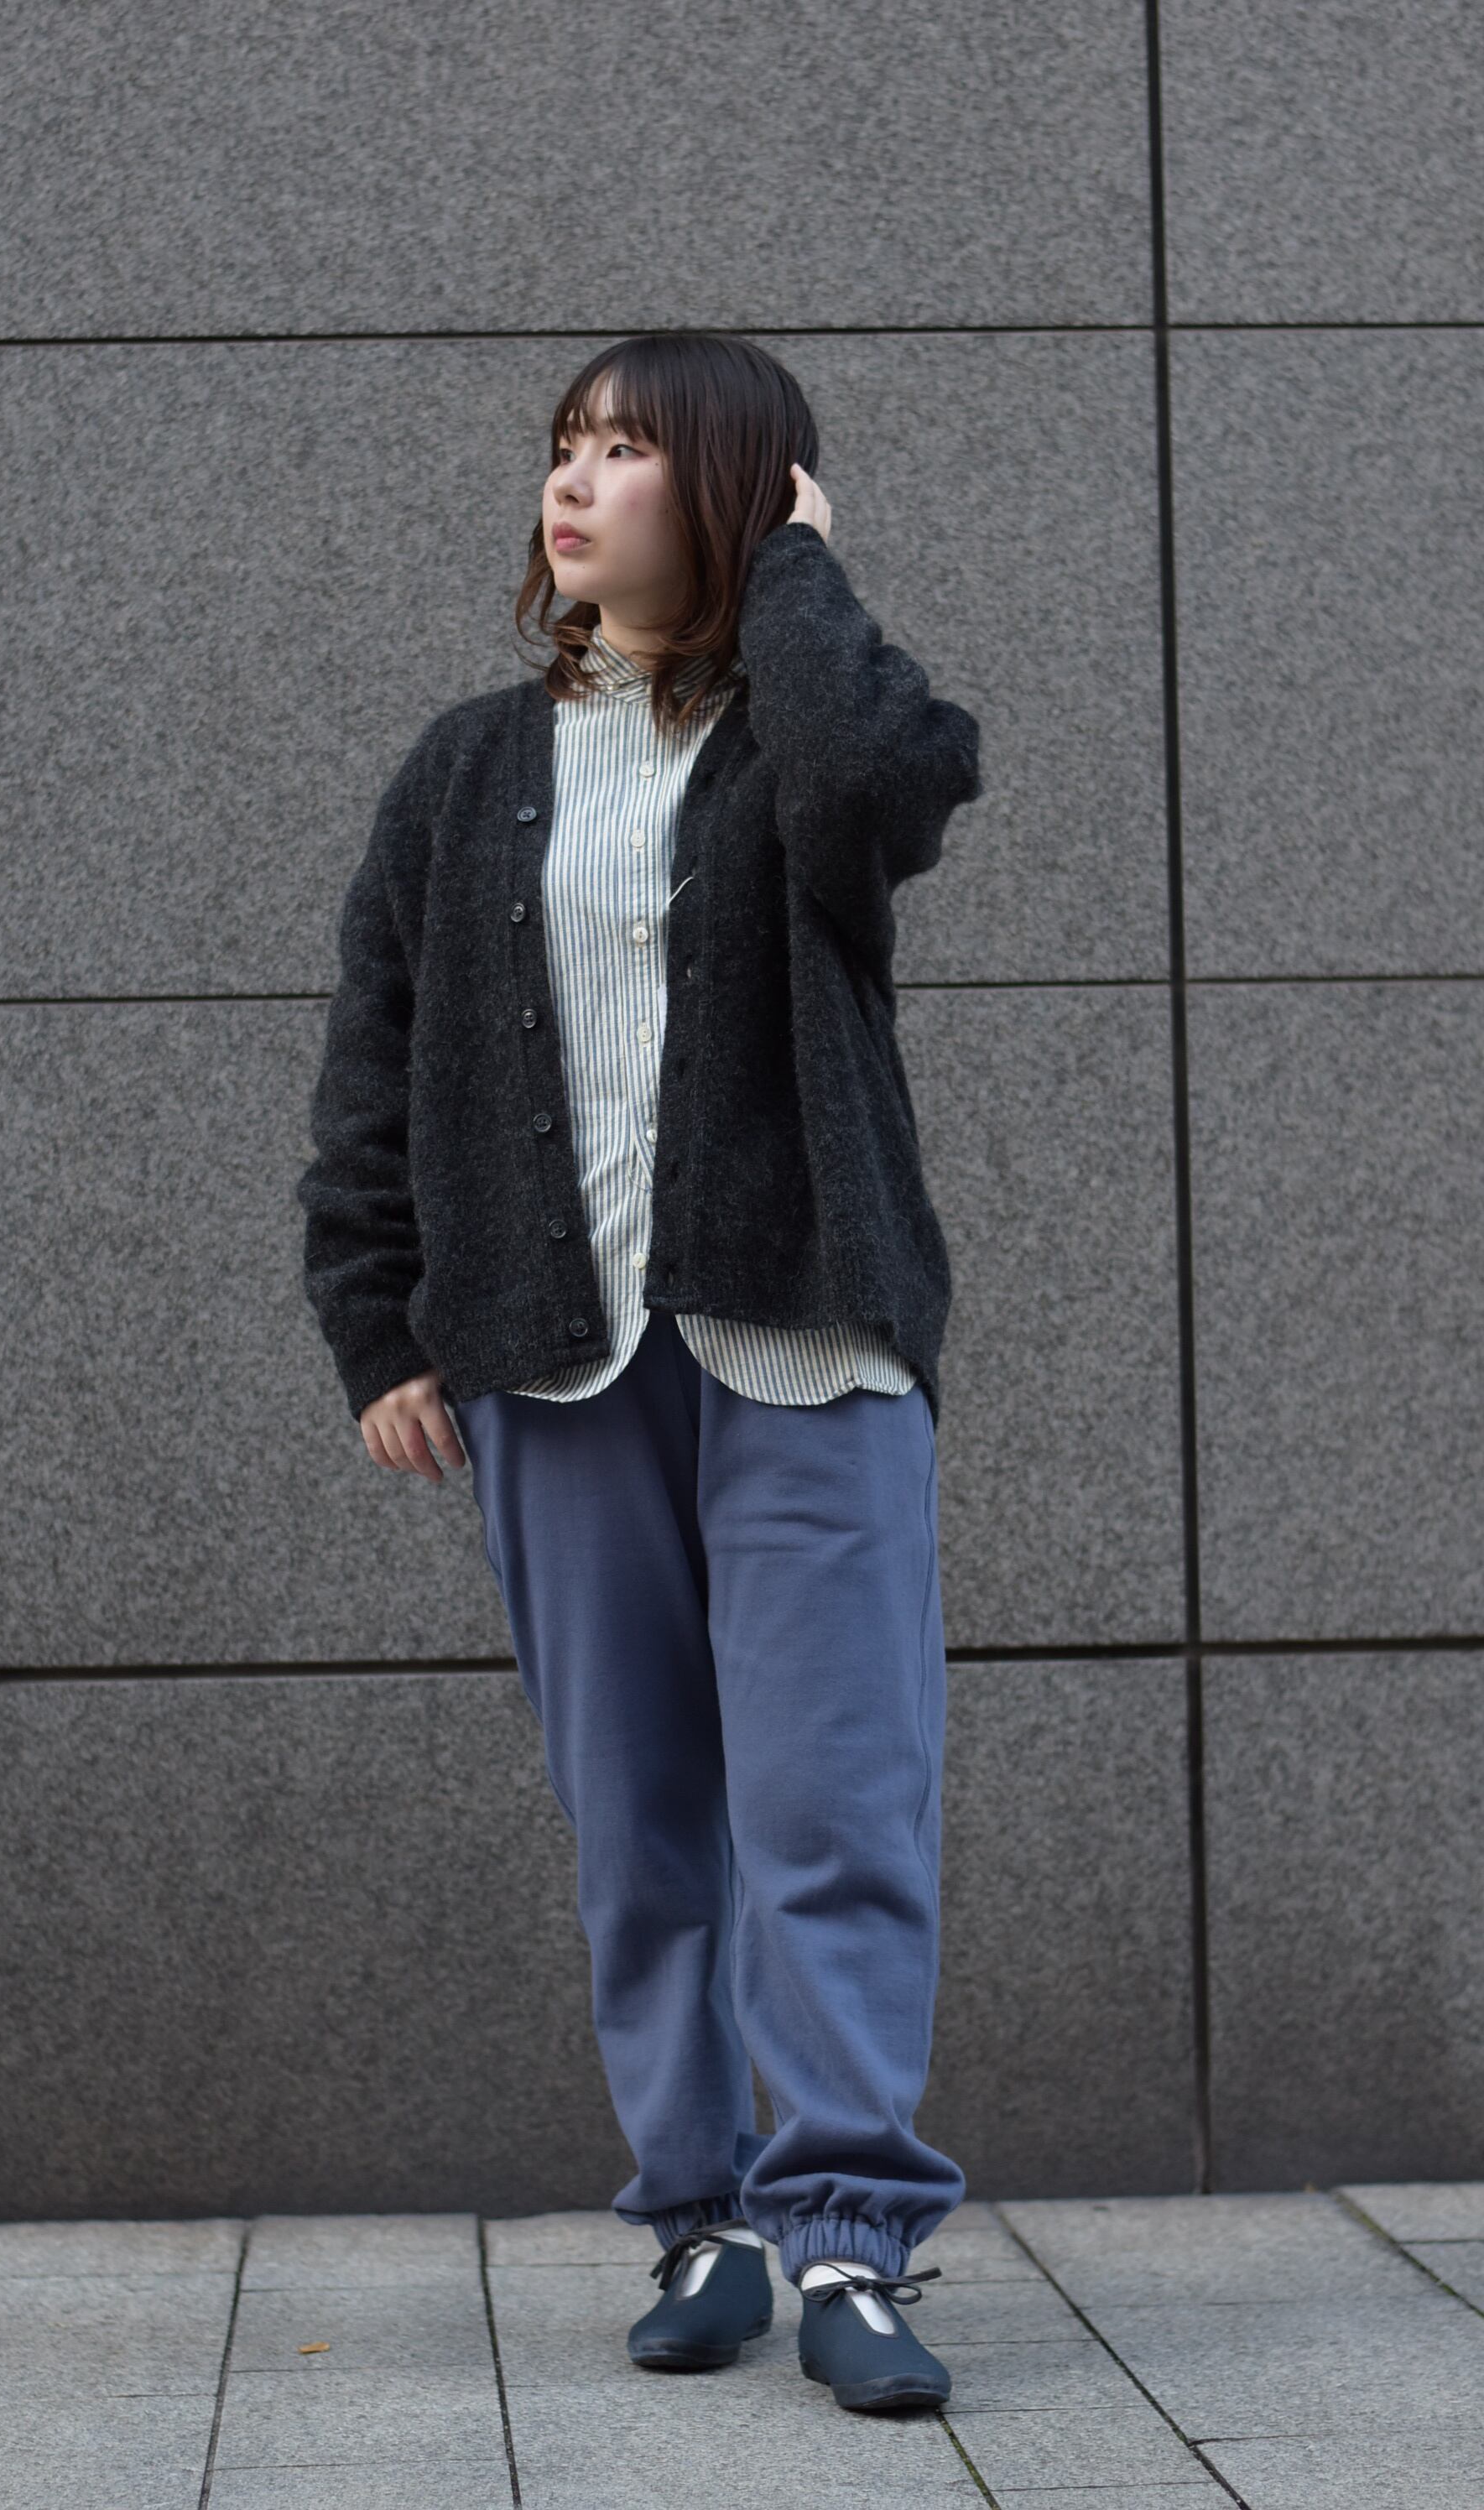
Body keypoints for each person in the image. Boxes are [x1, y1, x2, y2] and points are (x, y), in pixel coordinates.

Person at [298, 331, 983, 2415]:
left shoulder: (812, 742)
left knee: (831, 1807)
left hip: (803, 1344)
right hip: (550, 1365)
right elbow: (374, 1056)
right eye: (565, 446)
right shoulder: (464, 771)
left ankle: (847, 2232)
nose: (574, 480)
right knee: (643, 1823)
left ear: (736, 486)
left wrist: (800, 573)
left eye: (628, 448)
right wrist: (378, 1317)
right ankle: (699, 2215)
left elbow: (888, 784)